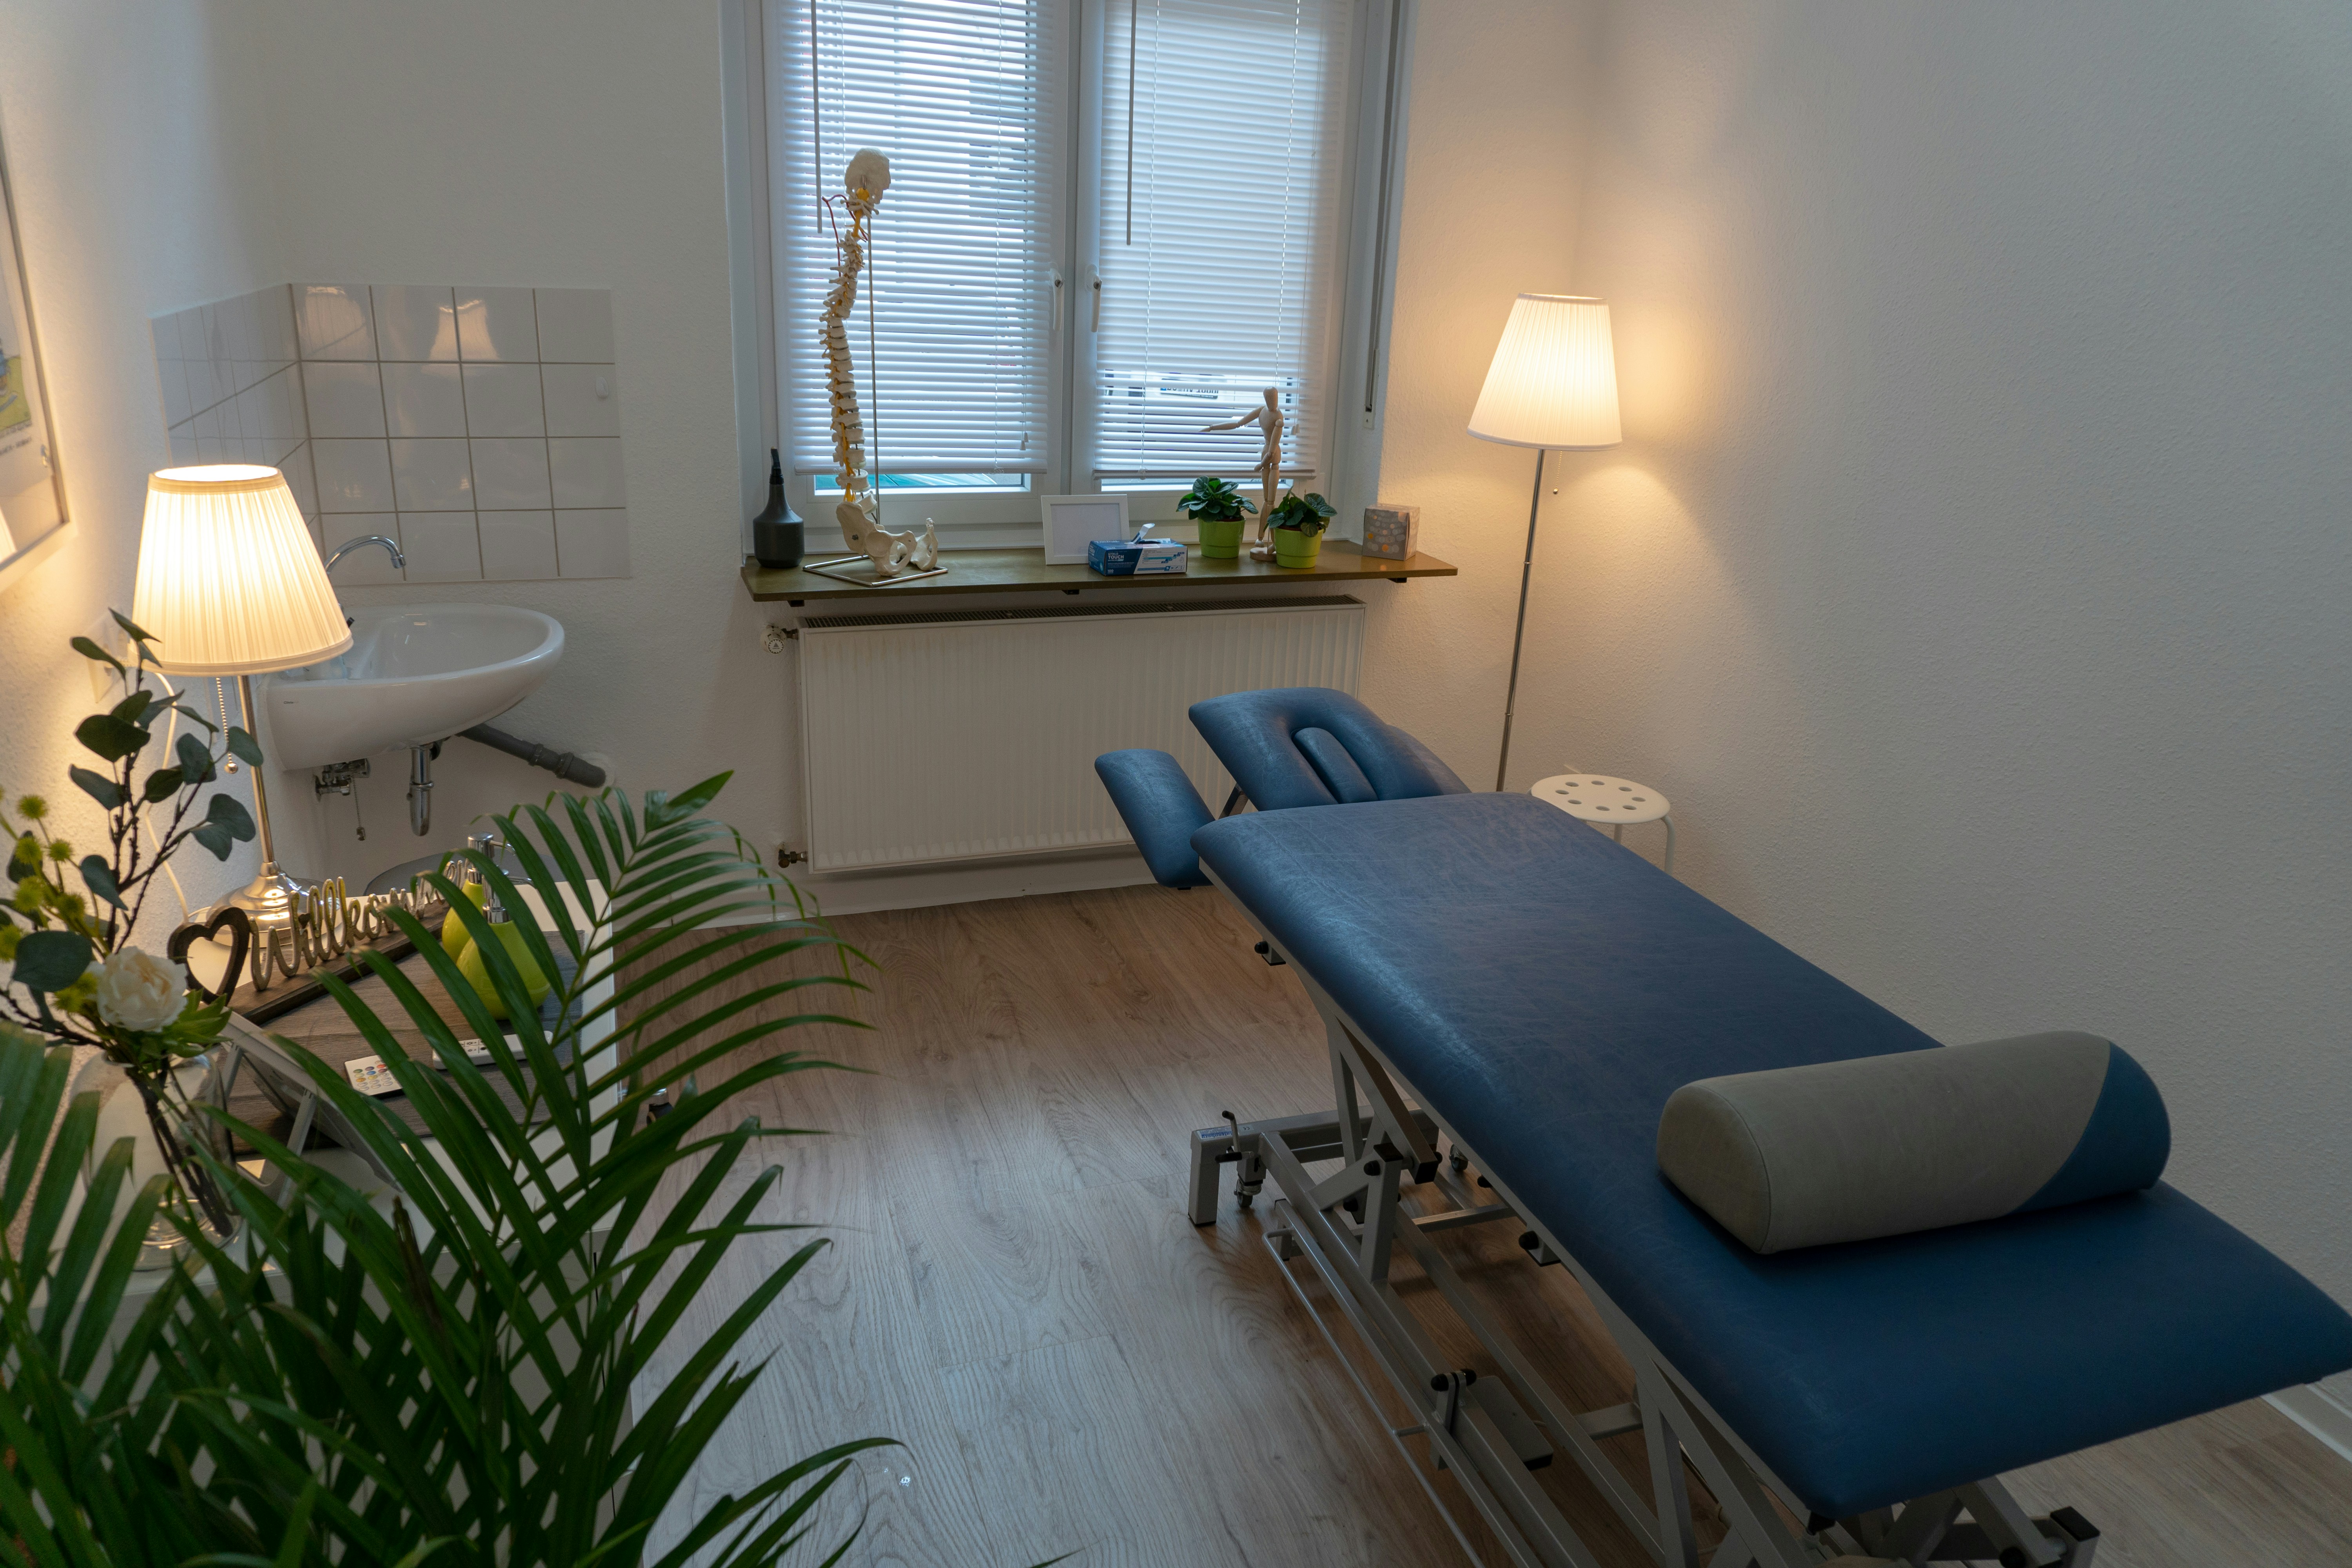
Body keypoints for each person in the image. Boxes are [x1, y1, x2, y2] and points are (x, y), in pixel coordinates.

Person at [1203, 388, 1284, 554]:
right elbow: (1238, 423)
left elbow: (1272, 450)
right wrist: (1212, 427)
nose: (1272, 401)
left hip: (1272, 459)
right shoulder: (1262, 411)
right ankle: (1261, 538)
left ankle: (1273, 541)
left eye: (1274, 398)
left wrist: (1260, 465)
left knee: (1271, 502)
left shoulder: (1278, 418)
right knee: (1266, 500)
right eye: (1270, 398)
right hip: (1265, 454)